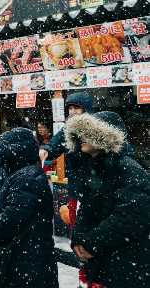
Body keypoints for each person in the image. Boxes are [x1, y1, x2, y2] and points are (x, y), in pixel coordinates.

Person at [65, 113, 150, 288]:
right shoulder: (94, 168)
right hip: (103, 263)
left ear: (104, 137)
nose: (81, 138)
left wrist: (91, 243)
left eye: (87, 133)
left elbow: (129, 218)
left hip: (127, 265)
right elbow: (87, 207)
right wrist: (79, 238)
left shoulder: (128, 168)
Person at [0, 128, 58, 288]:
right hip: (28, 260)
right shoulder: (24, 174)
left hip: (28, 263)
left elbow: (12, 218)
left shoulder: (28, 178)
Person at [39, 92, 93, 229]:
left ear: (85, 109)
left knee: (89, 222)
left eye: (77, 108)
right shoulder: (67, 129)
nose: (73, 111)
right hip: (75, 185)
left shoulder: (94, 127)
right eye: (70, 108)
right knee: (74, 222)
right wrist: (46, 149)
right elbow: (54, 144)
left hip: (93, 183)